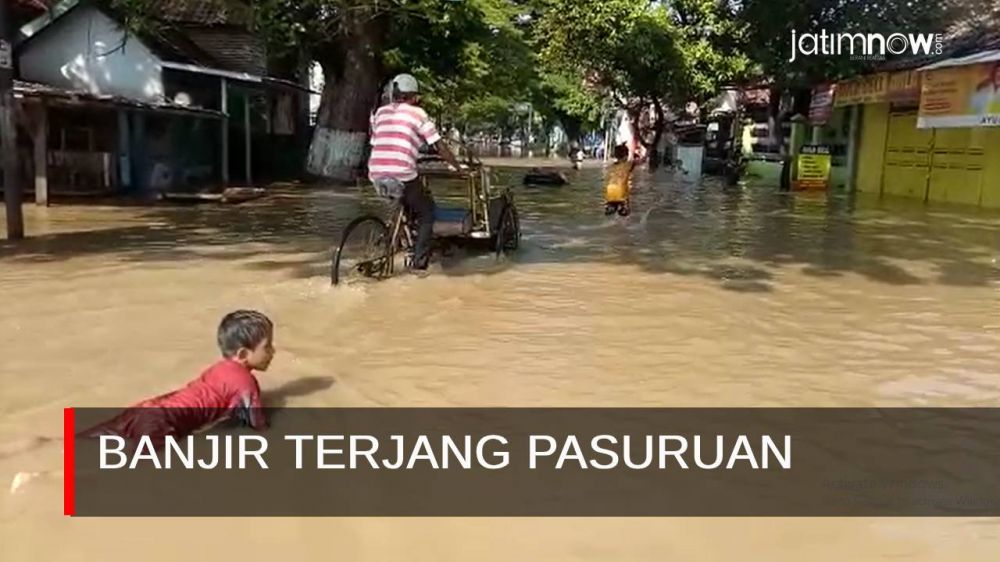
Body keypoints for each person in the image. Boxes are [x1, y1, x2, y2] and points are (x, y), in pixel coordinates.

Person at [8, 310, 275, 493]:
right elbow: (258, 427)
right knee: (129, 473)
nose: (272, 352)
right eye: (267, 346)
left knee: (69, 441)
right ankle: (37, 479)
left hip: (147, 409)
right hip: (161, 423)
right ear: (243, 354)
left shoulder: (218, 368)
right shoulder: (246, 382)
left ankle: (17, 449)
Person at [368, 73, 466, 270]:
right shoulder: (418, 114)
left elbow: (379, 142)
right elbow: (439, 146)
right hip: (402, 173)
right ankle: (419, 263)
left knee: (405, 203)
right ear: (414, 97)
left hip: (376, 172)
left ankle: (396, 241)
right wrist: (457, 166)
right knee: (427, 212)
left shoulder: (380, 113)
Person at [604, 143, 636, 217]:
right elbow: (641, 160)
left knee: (610, 213)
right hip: (621, 193)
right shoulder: (629, 164)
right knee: (625, 214)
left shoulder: (611, 166)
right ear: (626, 155)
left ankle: (611, 208)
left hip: (610, 192)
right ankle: (623, 211)